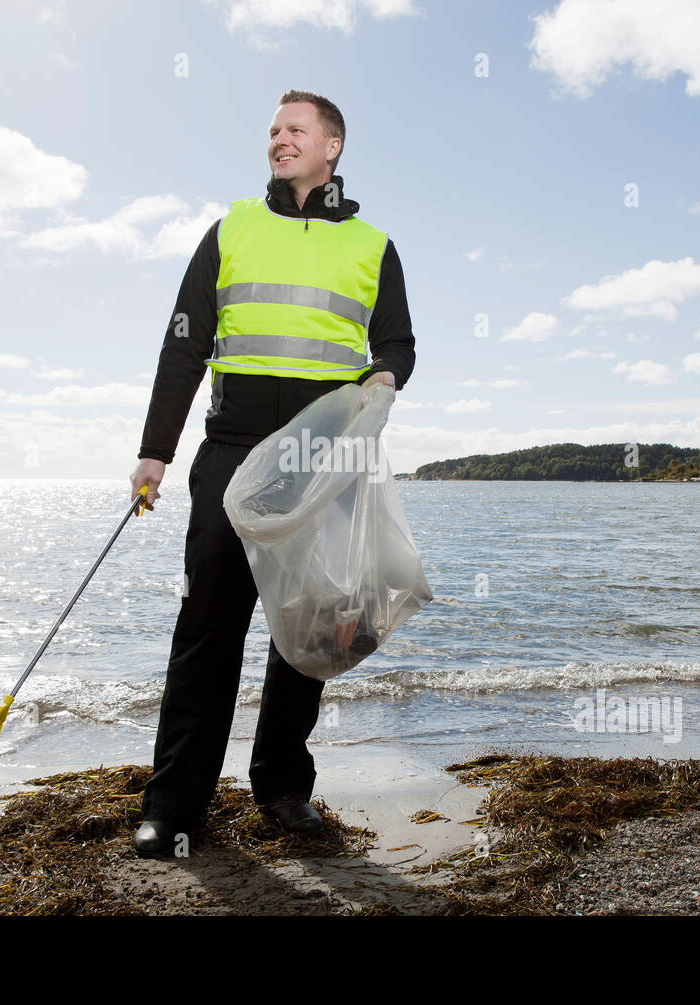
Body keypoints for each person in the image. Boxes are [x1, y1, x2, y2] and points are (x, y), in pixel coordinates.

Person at [128, 89, 416, 857]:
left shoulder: (373, 246)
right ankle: (175, 804)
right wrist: (155, 449)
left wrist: (384, 377)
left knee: (311, 627)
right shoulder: (231, 229)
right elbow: (183, 344)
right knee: (207, 631)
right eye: (272, 130)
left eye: (295, 129)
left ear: (332, 148)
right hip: (231, 454)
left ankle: (283, 786)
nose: (278, 140)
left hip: (324, 463)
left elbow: (398, 343)